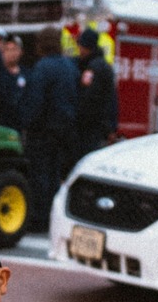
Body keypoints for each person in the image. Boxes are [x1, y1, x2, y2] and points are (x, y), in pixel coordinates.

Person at [20, 28, 79, 224]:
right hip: (65, 130)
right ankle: (53, 216)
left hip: (43, 130)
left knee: (39, 173)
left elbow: (35, 101)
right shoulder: (70, 66)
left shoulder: (42, 67)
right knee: (55, 175)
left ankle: (40, 216)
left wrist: (25, 121)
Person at [74, 27, 118, 159]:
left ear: (88, 46)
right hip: (99, 127)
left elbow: (89, 99)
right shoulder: (101, 65)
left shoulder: (94, 68)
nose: (79, 50)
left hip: (91, 128)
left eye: (81, 46)